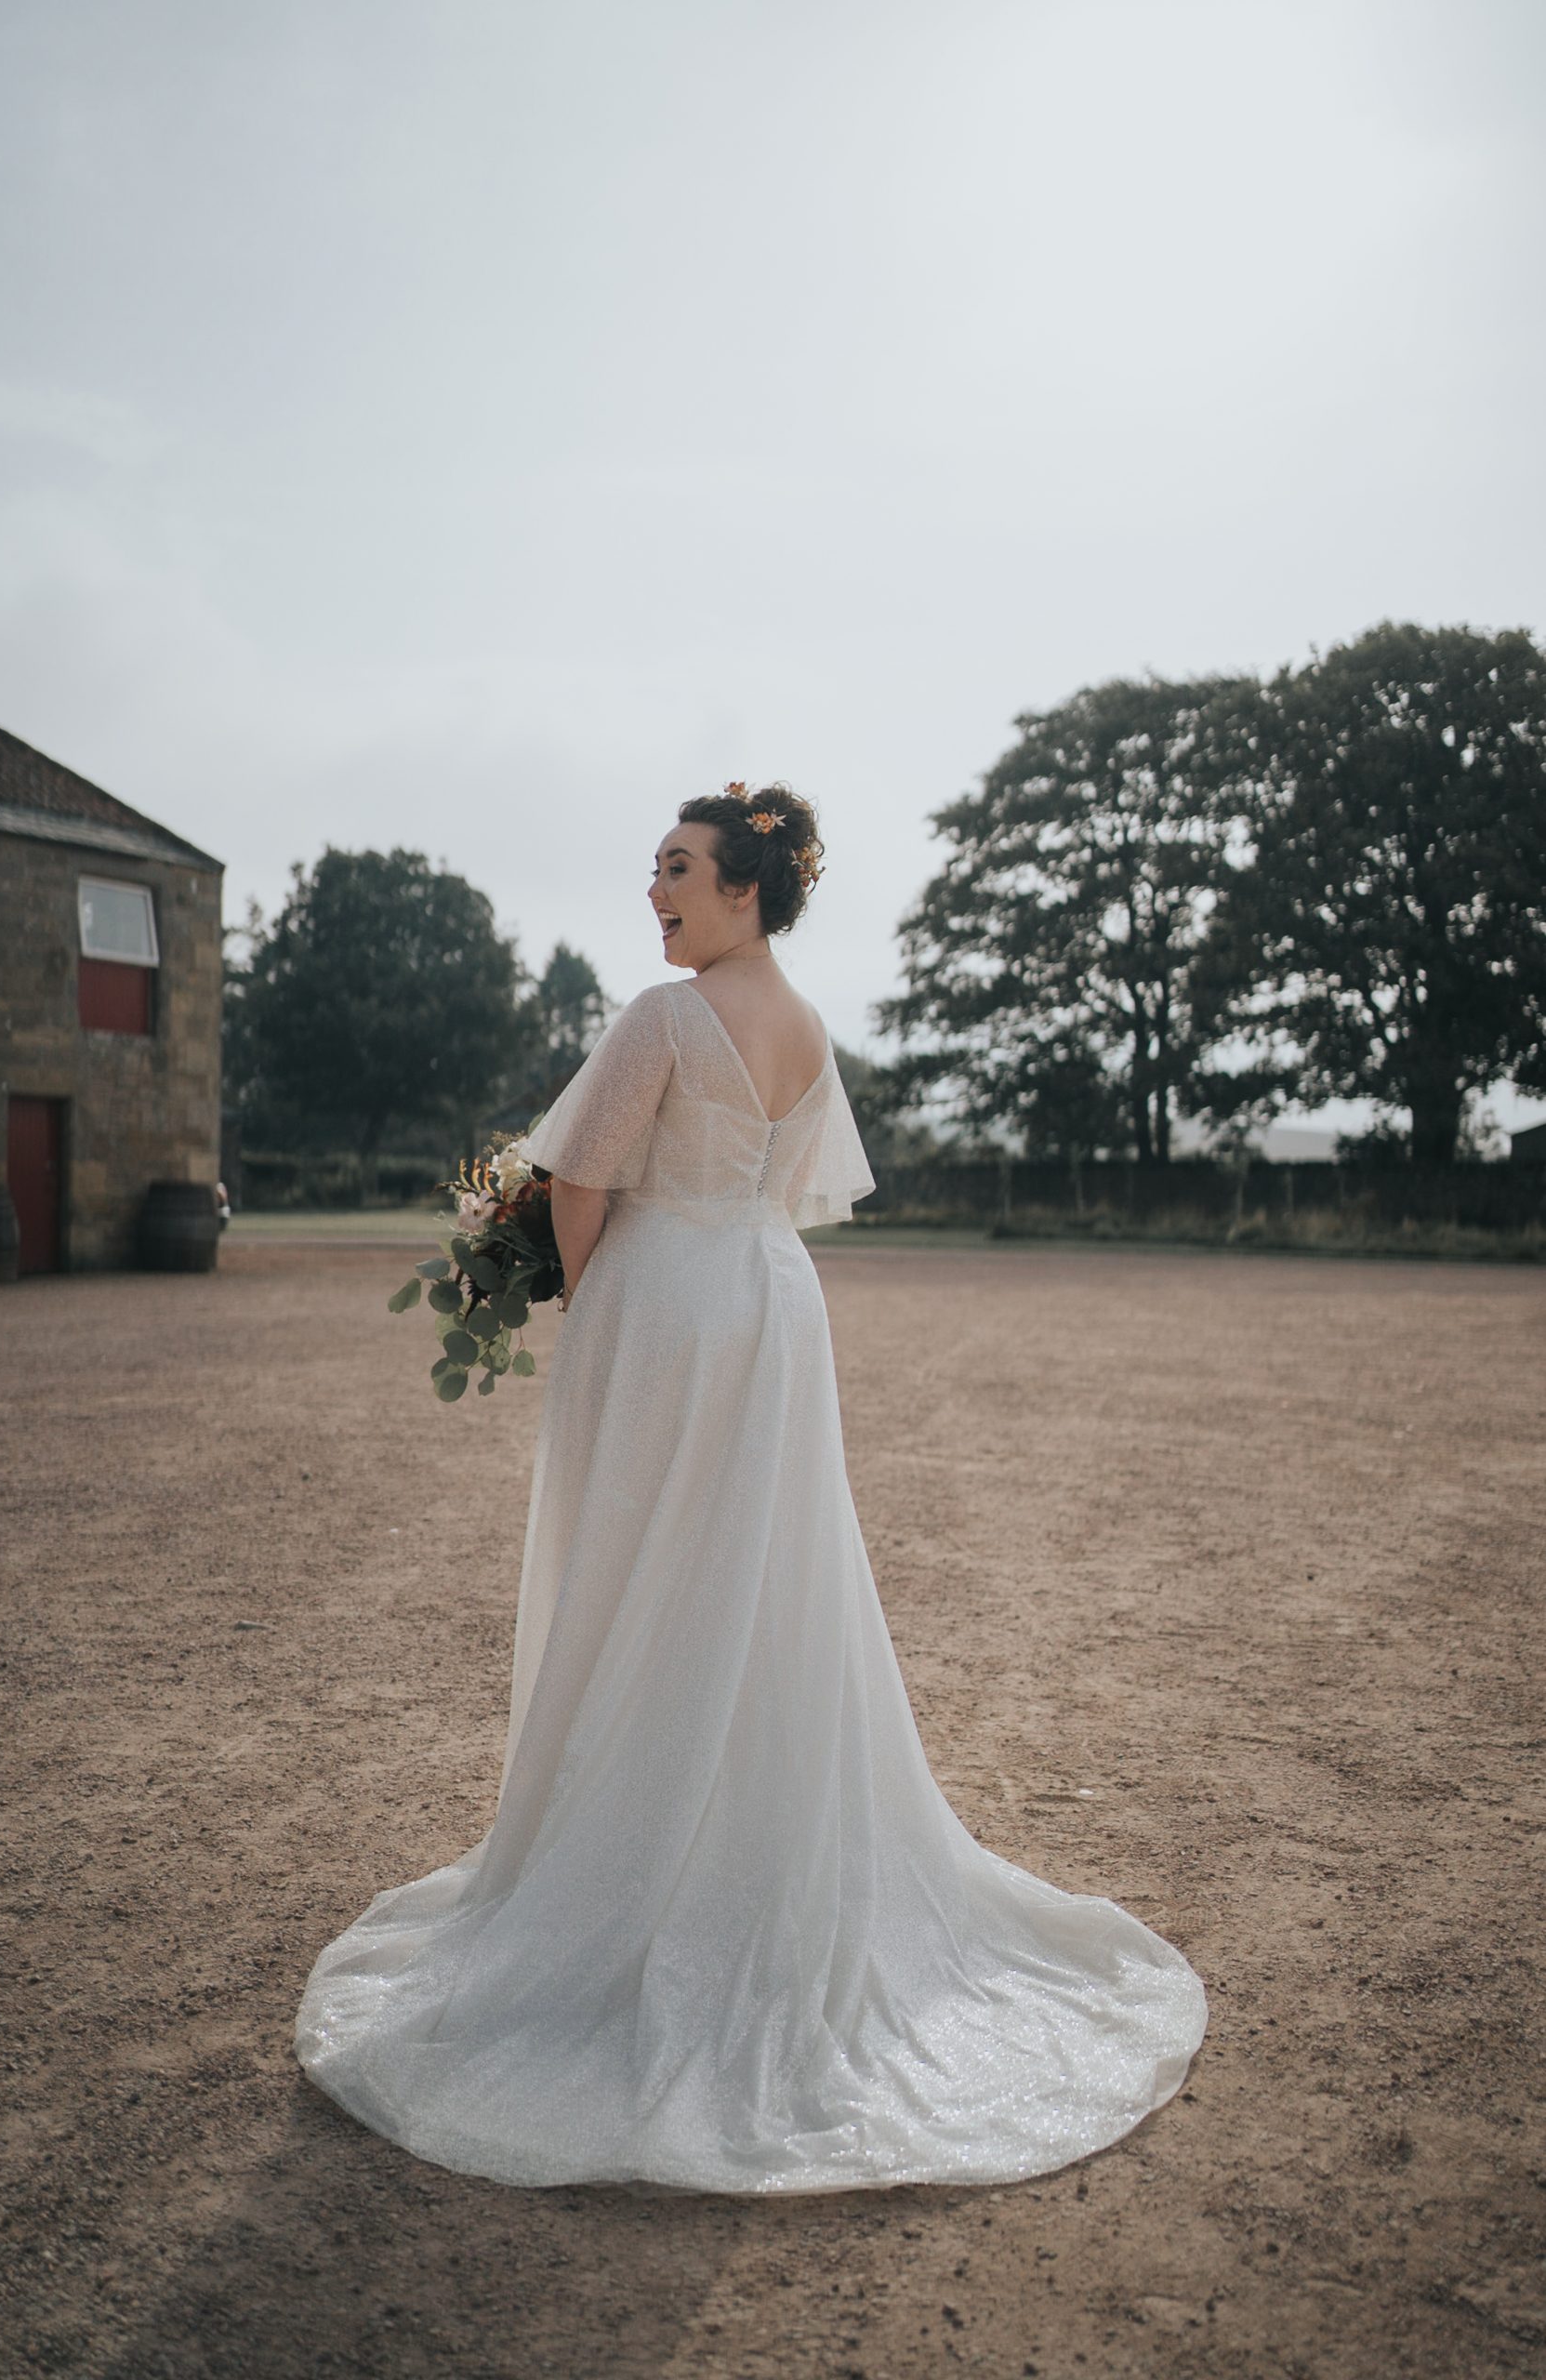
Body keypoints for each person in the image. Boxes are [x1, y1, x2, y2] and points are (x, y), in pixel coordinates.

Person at [294, 782, 1207, 2191]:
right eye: (652, 867)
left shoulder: (665, 1019)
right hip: (774, 1305)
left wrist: (577, 1294)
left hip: (669, 1305)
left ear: (744, 891)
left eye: (678, 868)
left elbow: (581, 1181)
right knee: (759, 1574)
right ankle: (753, 1854)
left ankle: (632, 1866)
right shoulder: (807, 1026)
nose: (653, 888)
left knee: (640, 1576)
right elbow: (781, 1191)